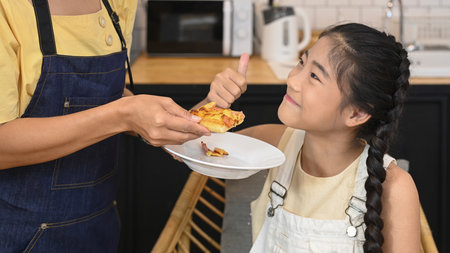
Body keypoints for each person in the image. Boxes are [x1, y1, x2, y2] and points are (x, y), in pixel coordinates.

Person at [0, 0, 237, 251]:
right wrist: (122, 115)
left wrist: (193, 118)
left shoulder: (117, 3)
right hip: (18, 234)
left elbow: (105, 95)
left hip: (99, 227)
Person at [201, 23, 421, 252]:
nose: (293, 80)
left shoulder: (395, 188)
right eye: (301, 63)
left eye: (314, 76)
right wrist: (212, 105)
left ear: (357, 113)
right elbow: (189, 145)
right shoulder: (275, 144)